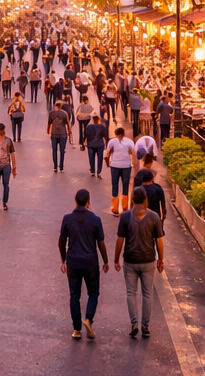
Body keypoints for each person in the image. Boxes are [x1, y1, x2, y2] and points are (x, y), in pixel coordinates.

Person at [114, 186, 166, 338]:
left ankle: (134, 323)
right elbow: (159, 241)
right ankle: (145, 326)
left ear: (132, 199)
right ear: (145, 200)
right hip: (148, 261)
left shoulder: (125, 217)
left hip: (130, 260)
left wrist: (116, 259)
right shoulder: (154, 217)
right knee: (147, 293)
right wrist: (161, 260)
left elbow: (120, 240)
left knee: (131, 293)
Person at [58, 188, 108, 340]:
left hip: (73, 261)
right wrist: (105, 261)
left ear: (75, 200)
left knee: (74, 294)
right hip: (90, 262)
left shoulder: (67, 218)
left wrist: (63, 260)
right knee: (93, 293)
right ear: (88, 202)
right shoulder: (95, 219)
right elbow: (101, 243)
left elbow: (61, 242)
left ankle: (76, 330)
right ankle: (88, 319)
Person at [104, 126, 136, 215]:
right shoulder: (129, 142)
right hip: (126, 166)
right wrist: (133, 163)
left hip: (114, 166)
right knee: (125, 185)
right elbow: (133, 153)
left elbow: (107, 153)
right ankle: (125, 207)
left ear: (116, 134)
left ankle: (115, 207)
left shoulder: (112, 142)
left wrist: (108, 163)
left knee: (115, 185)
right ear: (124, 134)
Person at [48, 99, 71, 173]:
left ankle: (55, 166)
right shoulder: (64, 113)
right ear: (61, 106)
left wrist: (48, 130)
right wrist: (69, 132)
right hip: (63, 134)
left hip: (54, 134)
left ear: (55, 106)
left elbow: (49, 123)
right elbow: (68, 123)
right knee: (62, 150)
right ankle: (61, 167)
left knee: (54, 150)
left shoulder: (51, 113)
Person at [82, 113, 107, 178]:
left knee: (91, 158)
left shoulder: (89, 127)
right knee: (100, 158)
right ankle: (98, 171)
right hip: (100, 144)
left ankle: (92, 171)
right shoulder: (102, 127)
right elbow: (105, 136)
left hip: (90, 144)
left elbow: (85, 135)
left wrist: (83, 143)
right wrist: (107, 144)